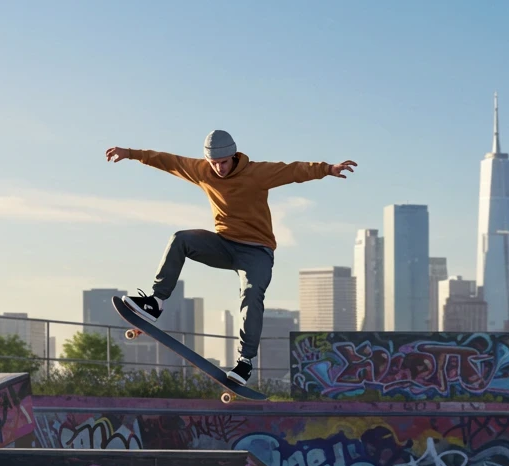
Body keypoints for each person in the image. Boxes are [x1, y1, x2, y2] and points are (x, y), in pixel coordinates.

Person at [106, 131, 356, 385]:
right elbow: (168, 160)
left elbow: (294, 171)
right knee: (181, 239)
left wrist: (328, 169)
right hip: (224, 245)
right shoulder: (202, 170)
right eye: (214, 163)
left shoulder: (257, 173)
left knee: (251, 295)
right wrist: (130, 154)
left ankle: (245, 362)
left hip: (257, 252)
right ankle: (156, 301)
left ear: (234, 156)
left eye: (223, 162)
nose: (219, 168)